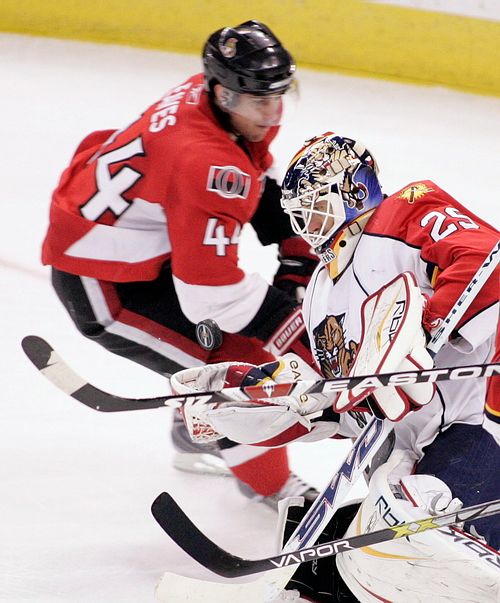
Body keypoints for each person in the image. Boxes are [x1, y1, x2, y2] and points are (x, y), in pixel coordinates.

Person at [171, 133, 500, 602]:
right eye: (298, 212)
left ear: (355, 190)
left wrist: (421, 330)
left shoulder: (404, 211)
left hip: (479, 427)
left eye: (314, 204)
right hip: (411, 449)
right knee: (331, 558)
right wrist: (265, 398)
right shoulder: (321, 294)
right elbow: (353, 402)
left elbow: (487, 259)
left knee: (411, 545)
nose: (306, 222)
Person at [40, 20, 321, 507]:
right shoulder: (205, 160)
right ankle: (279, 493)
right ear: (223, 94)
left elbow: (253, 166)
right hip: (103, 281)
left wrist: (294, 250)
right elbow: (211, 293)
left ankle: (195, 432)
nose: (274, 112)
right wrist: (294, 329)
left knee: (236, 350)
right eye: (261, 101)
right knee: (240, 371)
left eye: (280, 95)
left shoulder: (209, 97)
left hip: (142, 249)